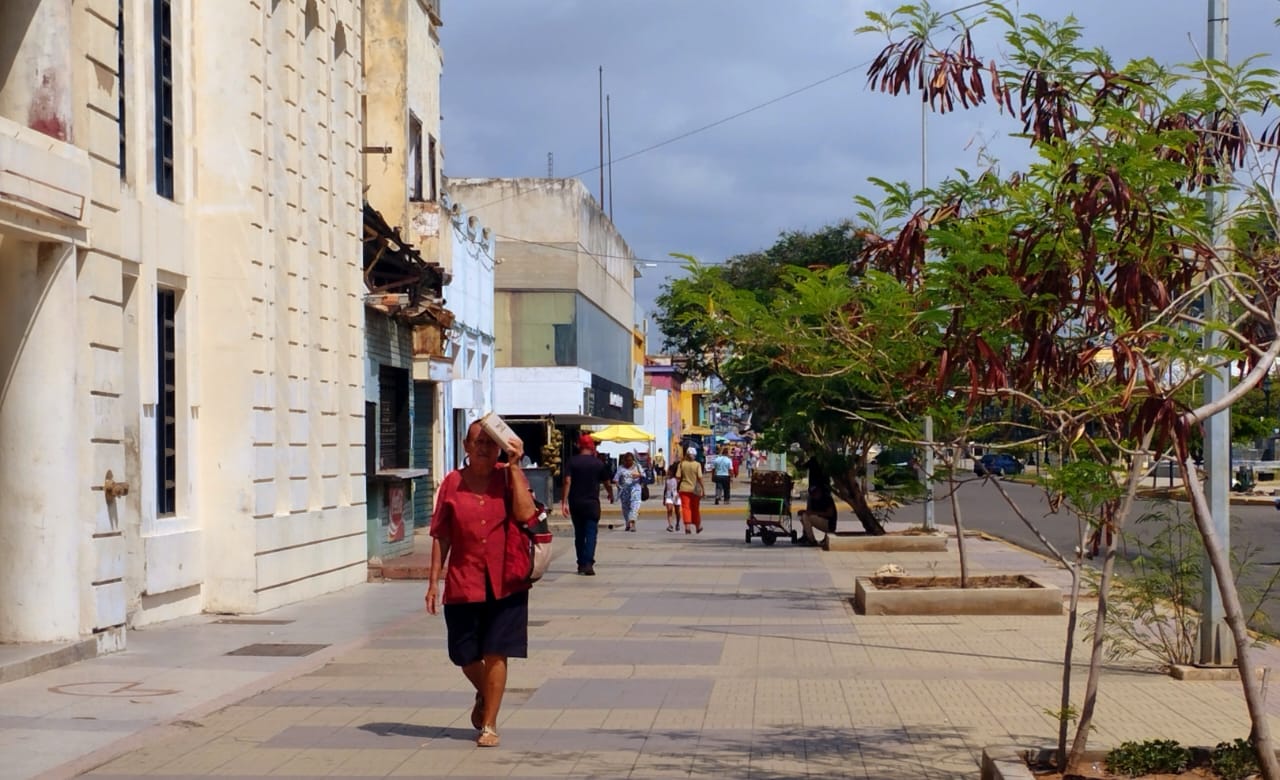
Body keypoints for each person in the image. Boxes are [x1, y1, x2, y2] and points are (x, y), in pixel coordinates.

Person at [425, 420, 537, 748]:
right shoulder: (452, 483)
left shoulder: (508, 477)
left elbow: (526, 513)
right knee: (463, 653)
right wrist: (433, 581)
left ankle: (489, 724)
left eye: (492, 442)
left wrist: (515, 467)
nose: (485, 448)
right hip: (464, 579)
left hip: (506, 581)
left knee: (497, 652)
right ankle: (485, 692)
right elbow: (441, 534)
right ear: (466, 446)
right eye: (479, 442)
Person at [561, 433, 614, 575]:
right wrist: (611, 493)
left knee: (579, 534)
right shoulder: (598, 463)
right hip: (592, 504)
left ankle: (581, 563)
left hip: (576, 503)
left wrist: (564, 501)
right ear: (591, 447)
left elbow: (567, 481)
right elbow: (607, 482)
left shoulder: (572, 461)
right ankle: (588, 563)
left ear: (579, 446)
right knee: (591, 533)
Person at [798, 483, 838, 550]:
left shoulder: (827, 498)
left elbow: (830, 514)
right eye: (812, 494)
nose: (814, 495)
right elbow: (810, 512)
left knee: (805, 517)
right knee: (803, 516)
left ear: (819, 491)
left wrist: (813, 513)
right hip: (821, 520)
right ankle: (807, 536)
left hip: (829, 524)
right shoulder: (813, 500)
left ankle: (811, 540)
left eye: (815, 493)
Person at [677, 445, 705, 534]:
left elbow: (678, 477)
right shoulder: (697, 465)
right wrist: (703, 489)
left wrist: (676, 489)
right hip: (695, 490)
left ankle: (687, 527)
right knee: (695, 508)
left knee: (686, 508)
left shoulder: (681, 464)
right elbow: (700, 478)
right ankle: (698, 526)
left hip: (684, 489)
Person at [614, 452, 644, 532]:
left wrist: (638, 475)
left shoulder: (637, 466)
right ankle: (627, 523)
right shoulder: (621, 468)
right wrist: (618, 485)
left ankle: (633, 524)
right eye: (626, 461)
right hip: (624, 491)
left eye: (630, 460)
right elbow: (616, 479)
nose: (628, 462)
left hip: (635, 489)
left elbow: (644, 475)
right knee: (625, 508)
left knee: (634, 506)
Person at [664, 462, 681, 532]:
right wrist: (664, 498)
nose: (668, 472)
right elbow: (665, 488)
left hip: (676, 496)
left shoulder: (677, 479)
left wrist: (678, 494)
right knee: (669, 510)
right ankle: (670, 525)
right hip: (668, 496)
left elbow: (680, 488)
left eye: (669, 470)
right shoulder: (667, 479)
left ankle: (677, 523)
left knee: (677, 512)